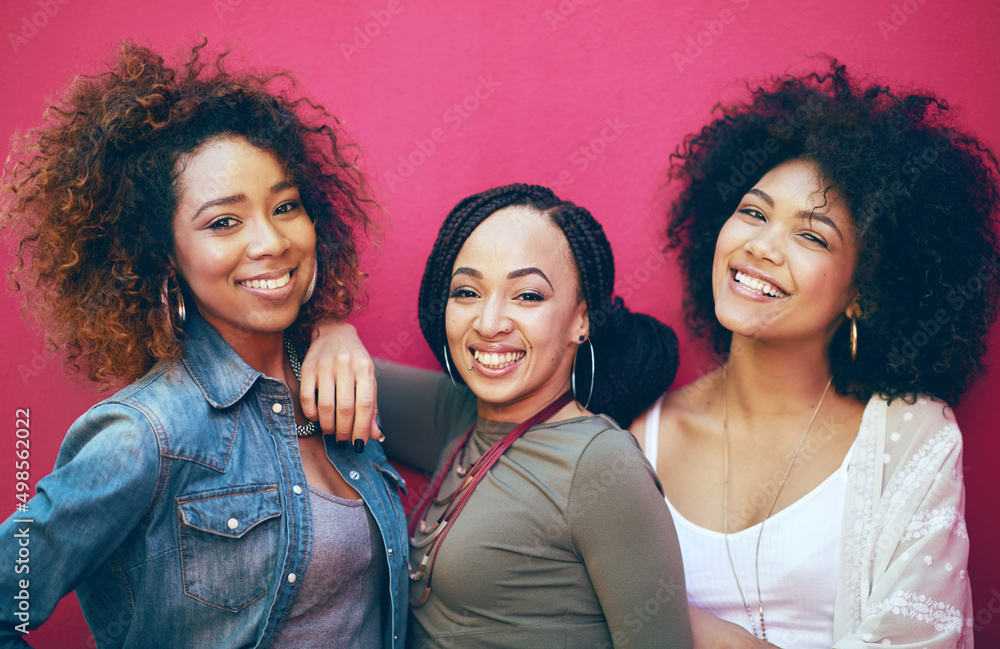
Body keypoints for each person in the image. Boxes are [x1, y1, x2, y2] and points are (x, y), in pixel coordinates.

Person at [0, 41, 406, 648]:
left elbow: (477, 414)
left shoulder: (337, 386)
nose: (270, 241)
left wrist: (333, 329)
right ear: (167, 257)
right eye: (224, 221)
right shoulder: (147, 434)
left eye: (285, 206)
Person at [631, 61, 999, 648]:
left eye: (811, 235)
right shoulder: (636, 433)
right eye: (753, 212)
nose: (761, 246)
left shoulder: (912, 440)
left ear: (864, 292)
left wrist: (696, 633)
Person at [360, 184, 692, 647]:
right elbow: (320, 368)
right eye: (467, 291)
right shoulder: (459, 415)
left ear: (581, 320)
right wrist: (335, 335)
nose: (489, 322)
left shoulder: (600, 464)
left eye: (528, 296)